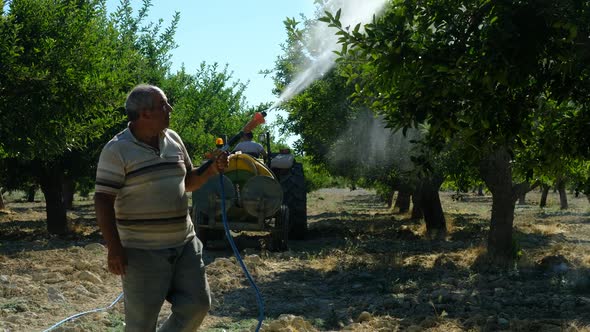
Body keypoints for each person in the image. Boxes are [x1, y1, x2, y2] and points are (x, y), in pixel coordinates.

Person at [94, 84, 228, 332]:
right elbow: (103, 200)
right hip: (141, 252)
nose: (170, 109)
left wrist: (211, 168)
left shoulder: (173, 139)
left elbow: (188, 182)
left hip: (185, 244)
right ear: (145, 113)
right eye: (164, 105)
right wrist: (114, 247)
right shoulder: (117, 150)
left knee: (197, 304)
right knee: (141, 324)